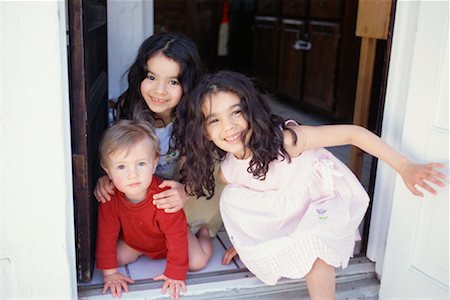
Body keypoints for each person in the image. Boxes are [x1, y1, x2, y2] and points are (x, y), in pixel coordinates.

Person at [177, 70, 447, 299]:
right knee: (232, 198)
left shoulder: (287, 141)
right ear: (204, 131)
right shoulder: (229, 168)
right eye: (215, 120)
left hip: (318, 200)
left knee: (315, 249)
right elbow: (245, 202)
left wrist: (403, 166)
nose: (229, 126)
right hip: (284, 208)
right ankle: (263, 242)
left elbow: (353, 133)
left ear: (252, 111)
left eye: (236, 113)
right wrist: (250, 240)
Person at [94, 32, 224, 270]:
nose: (159, 90)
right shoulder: (128, 107)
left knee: (194, 259)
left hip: (184, 184)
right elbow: (117, 152)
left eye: (173, 81)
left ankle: (203, 234)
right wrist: (106, 177)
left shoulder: (193, 118)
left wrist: (185, 191)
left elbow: (195, 165)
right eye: (152, 77)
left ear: (188, 85)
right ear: (140, 75)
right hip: (142, 188)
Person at [96, 119, 196, 299]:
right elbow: (106, 234)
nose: (132, 174)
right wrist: (110, 274)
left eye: (141, 164)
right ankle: (141, 251)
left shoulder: (164, 196)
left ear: (154, 163)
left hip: (167, 240)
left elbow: (175, 236)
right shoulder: (110, 198)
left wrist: (175, 273)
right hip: (136, 243)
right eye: (121, 166)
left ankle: (203, 235)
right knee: (112, 259)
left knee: (198, 261)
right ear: (108, 171)